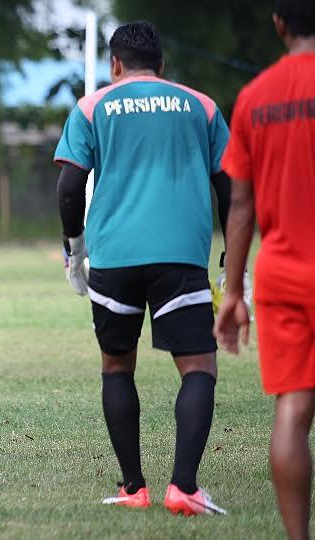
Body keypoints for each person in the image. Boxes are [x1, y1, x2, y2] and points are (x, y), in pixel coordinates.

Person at [54, 22, 231, 514]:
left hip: (114, 256)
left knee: (117, 366)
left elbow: (70, 187)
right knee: (197, 367)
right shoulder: (202, 105)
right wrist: (231, 261)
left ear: (114, 64)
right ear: (162, 64)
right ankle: (185, 488)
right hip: (181, 255)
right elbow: (230, 186)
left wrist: (75, 250)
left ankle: (134, 489)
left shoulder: (93, 106)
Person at [214, 1, 315, 537]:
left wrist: (233, 291)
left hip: (281, 276)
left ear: (280, 24)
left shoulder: (254, 99)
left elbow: (240, 206)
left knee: (293, 410)